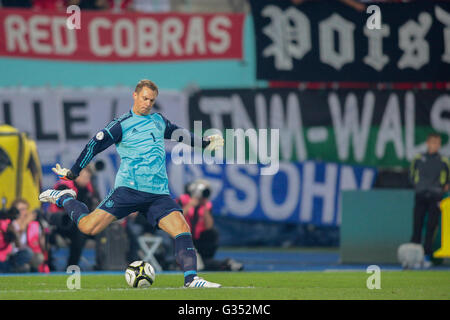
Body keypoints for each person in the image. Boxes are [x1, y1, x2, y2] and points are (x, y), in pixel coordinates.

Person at [39, 79, 224, 288]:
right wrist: (74, 172)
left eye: (152, 100)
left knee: (182, 229)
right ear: (135, 96)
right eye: (144, 98)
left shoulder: (158, 121)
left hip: (157, 194)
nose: (147, 103)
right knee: (88, 227)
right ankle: (64, 199)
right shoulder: (121, 124)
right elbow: (94, 145)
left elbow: (181, 134)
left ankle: (191, 279)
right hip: (128, 190)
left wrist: (205, 143)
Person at [177, 179, 243, 271]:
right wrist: (190, 205)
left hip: (199, 240)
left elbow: (209, 226)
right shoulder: (183, 199)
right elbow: (176, 219)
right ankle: (226, 264)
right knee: (195, 263)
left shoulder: (206, 205)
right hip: (183, 238)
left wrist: (204, 207)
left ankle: (225, 263)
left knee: (212, 234)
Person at [409, 132, 450, 268]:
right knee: (417, 226)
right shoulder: (419, 158)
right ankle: (414, 258)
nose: (435, 145)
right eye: (433, 142)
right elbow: (411, 175)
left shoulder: (443, 160)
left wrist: (441, 188)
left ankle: (426, 256)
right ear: (427, 143)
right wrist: (419, 186)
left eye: (437, 143)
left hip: (435, 197)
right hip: (420, 195)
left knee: (431, 227)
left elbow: (447, 179)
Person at [46, 167, 100, 269]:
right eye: (83, 176)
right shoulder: (64, 186)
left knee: (102, 229)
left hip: (80, 223)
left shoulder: (89, 188)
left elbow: (95, 206)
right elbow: (64, 206)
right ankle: (71, 266)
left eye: (88, 177)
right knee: (80, 230)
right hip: (61, 222)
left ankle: (103, 263)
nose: (86, 179)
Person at [0, 199, 48, 273]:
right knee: (27, 256)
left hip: (25, 255)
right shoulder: (9, 223)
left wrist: (44, 232)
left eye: (26, 209)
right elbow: (17, 243)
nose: (24, 212)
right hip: (10, 255)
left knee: (38, 257)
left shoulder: (33, 224)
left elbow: (43, 246)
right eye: (21, 209)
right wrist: (24, 224)